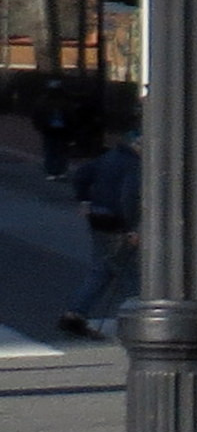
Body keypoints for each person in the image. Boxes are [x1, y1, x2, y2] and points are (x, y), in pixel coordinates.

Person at [56, 130, 142, 339]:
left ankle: (75, 314)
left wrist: (85, 200)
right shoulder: (134, 165)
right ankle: (139, 320)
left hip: (98, 218)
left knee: (102, 269)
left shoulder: (109, 157)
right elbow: (128, 197)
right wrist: (132, 228)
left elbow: (81, 175)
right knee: (129, 274)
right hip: (118, 223)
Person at [31, 79, 75, 181]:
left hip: (49, 129)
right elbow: (71, 115)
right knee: (61, 150)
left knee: (50, 150)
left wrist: (38, 126)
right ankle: (61, 171)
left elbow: (36, 114)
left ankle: (52, 171)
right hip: (62, 130)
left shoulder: (43, 100)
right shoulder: (65, 101)